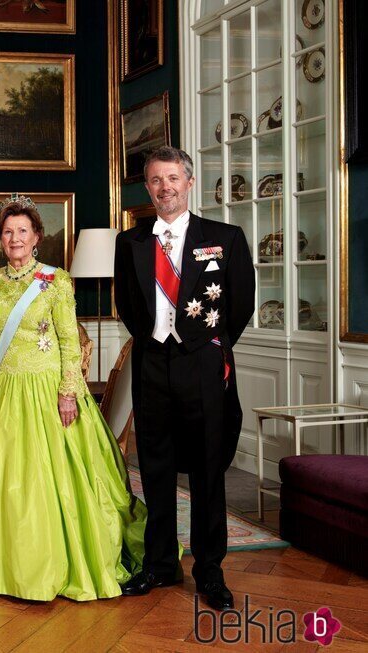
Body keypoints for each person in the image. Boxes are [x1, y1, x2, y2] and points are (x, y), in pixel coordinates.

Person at [0, 194, 145, 601]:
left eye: (23, 231)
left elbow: (70, 341)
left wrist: (68, 394)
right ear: (0, 238)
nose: (15, 238)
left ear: (36, 238)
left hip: (49, 392)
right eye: (8, 231)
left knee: (55, 482)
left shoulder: (55, 280)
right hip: (7, 393)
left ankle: (58, 563)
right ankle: (13, 564)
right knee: (8, 482)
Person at [115, 146, 254, 611]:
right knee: (153, 469)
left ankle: (210, 573)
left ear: (188, 183)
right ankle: (159, 566)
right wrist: (157, 341)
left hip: (202, 364)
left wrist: (205, 345)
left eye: (173, 178)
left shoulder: (225, 237)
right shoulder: (130, 243)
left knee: (207, 472)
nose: (165, 188)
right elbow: (128, 307)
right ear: (148, 187)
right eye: (156, 180)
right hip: (152, 365)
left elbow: (240, 304)